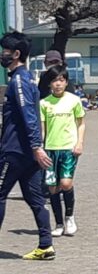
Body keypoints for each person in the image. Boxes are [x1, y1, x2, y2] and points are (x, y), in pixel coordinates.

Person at [0, 31, 55, 260]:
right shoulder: (25, 78)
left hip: (15, 151)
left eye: (4, 50)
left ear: (16, 54)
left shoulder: (20, 80)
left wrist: (36, 146)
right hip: (27, 153)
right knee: (35, 198)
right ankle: (45, 245)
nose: (2, 54)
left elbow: (28, 115)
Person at [40, 65, 86, 237]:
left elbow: (81, 123)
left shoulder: (74, 100)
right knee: (52, 188)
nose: (58, 84)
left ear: (66, 82)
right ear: (49, 84)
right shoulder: (44, 103)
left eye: (61, 80)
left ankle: (69, 217)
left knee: (65, 183)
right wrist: (41, 148)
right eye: (54, 80)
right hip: (51, 148)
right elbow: (43, 129)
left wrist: (79, 143)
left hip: (68, 148)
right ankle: (58, 223)